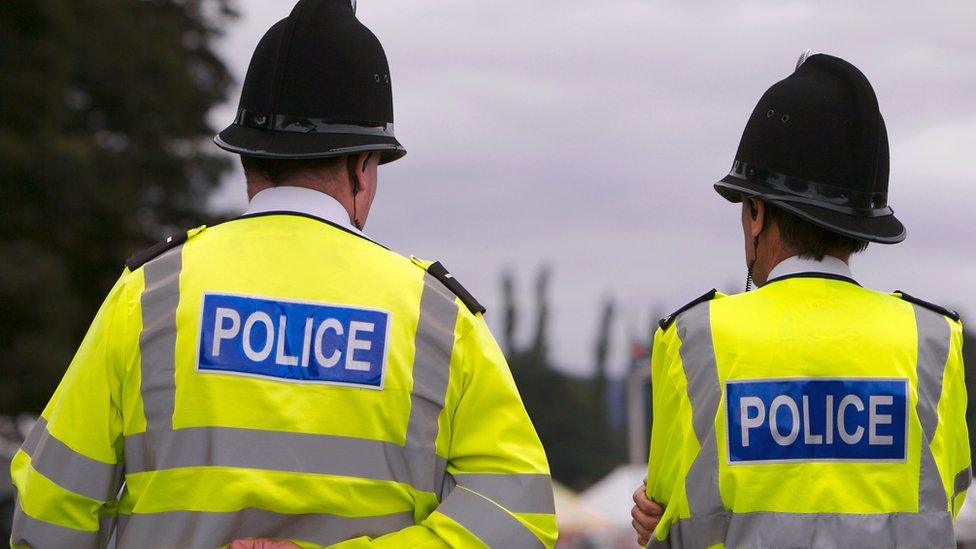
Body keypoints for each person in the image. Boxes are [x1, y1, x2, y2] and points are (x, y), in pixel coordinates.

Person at [10, 1, 557, 547]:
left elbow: (49, 504)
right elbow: (518, 523)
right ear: (362, 167)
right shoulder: (438, 319)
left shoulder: (150, 294)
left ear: (248, 158)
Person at [630, 52, 969, 547]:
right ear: (860, 228)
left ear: (755, 212)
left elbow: (670, 511)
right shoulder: (936, 340)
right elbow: (948, 493)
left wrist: (653, 523)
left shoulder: (691, 339)